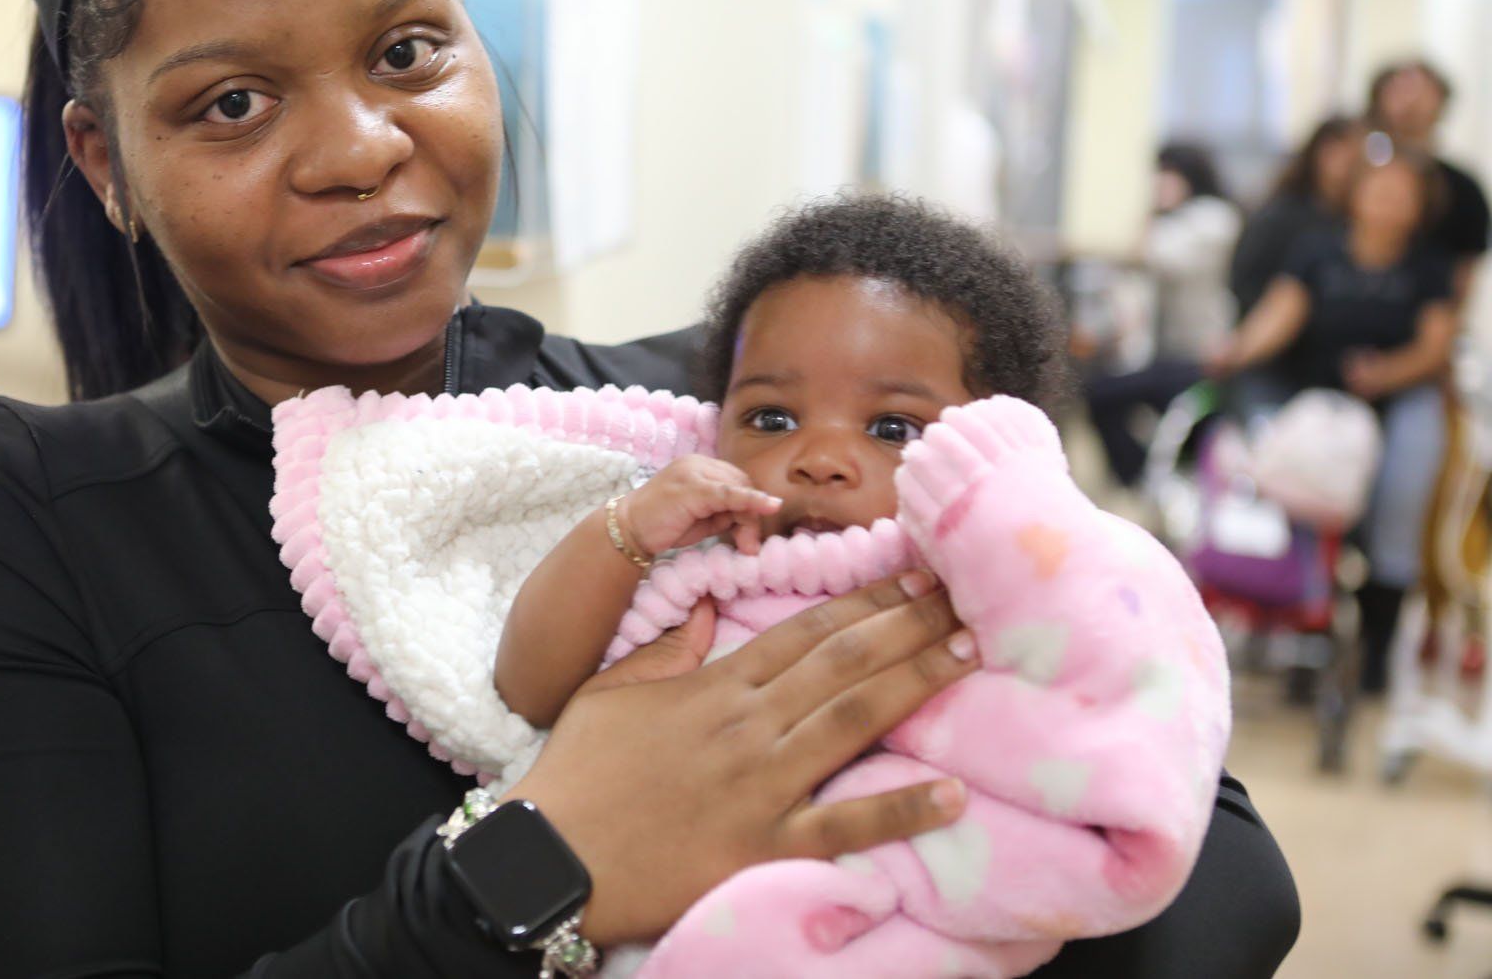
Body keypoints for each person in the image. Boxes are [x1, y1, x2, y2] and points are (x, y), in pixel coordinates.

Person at [0, 0, 1298, 978]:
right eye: (232, 102)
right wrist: (541, 866)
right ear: (104, 159)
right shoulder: (27, 526)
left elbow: (1216, 871)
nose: (363, 147)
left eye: (409, 49)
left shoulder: (712, 426)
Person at [495, 197, 1227, 977]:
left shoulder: (985, 579)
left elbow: (1114, 676)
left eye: (891, 428)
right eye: (772, 418)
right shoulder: (709, 566)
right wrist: (625, 532)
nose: (820, 457)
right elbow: (531, 687)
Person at [1210, 146, 1459, 690]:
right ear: (1356, 195)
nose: (1388, 202)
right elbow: (1280, 314)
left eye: (1402, 194)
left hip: (1396, 401)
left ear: (1419, 207)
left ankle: (1377, 649)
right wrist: (1236, 350)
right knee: (1292, 473)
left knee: (1402, 485)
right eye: (1379, 189)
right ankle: (1302, 628)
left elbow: (1435, 346)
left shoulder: (1429, 267)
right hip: (1319, 396)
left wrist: (1386, 373)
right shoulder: (1316, 251)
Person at [1084, 143, 1242, 491]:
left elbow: (1152, 255)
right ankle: (1144, 481)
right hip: (1170, 357)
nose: (1160, 183)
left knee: (1101, 393)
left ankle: (1144, 482)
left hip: (1202, 361)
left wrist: (1151, 214)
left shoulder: (1213, 219)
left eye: (1168, 174)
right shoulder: (1180, 221)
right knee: (1102, 393)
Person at [1368, 58, 1489, 298]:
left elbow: (1463, 277)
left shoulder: (1464, 190)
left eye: (1419, 90)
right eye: (1399, 88)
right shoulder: (1357, 173)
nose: (1409, 99)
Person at [1229, 115, 1361, 321]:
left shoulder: (1357, 218)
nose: (1349, 163)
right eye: (1340, 151)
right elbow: (1244, 281)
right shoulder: (1281, 215)